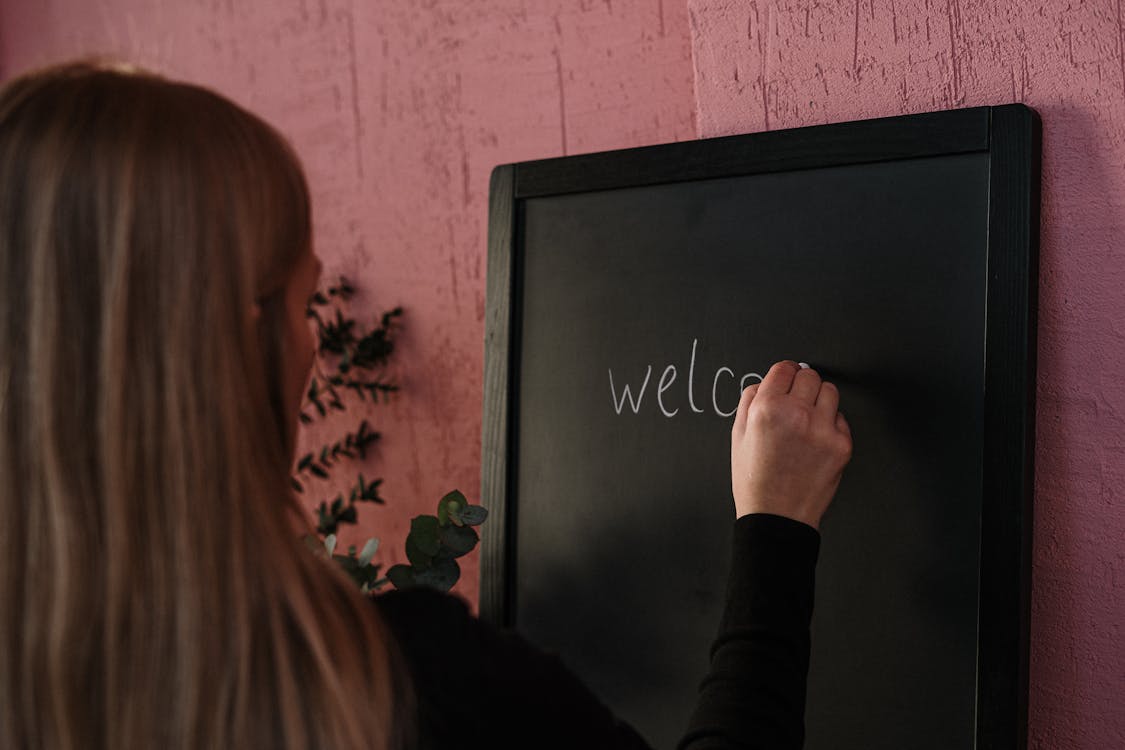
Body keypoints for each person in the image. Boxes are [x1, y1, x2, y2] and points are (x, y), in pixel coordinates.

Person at [0, 61, 851, 750]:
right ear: (231, 347)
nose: (312, 343)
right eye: (302, 307)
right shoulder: (393, 684)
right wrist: (776, 527)